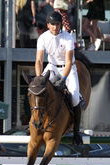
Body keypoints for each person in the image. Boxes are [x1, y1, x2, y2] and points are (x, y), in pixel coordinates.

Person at [35, 11, 84, 145]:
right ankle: (34, 123)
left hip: (68, 68)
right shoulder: (43, 38)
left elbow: (68, 62)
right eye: (52, 24)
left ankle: (76, 131)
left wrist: (63, 79)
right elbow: (39, 61)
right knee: (38, 92)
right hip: (52, 67)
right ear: (48, 25)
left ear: (60, 25)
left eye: (57, 24)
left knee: (74, 97)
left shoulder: (68, 37)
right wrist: (39, 77)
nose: (55, 27)